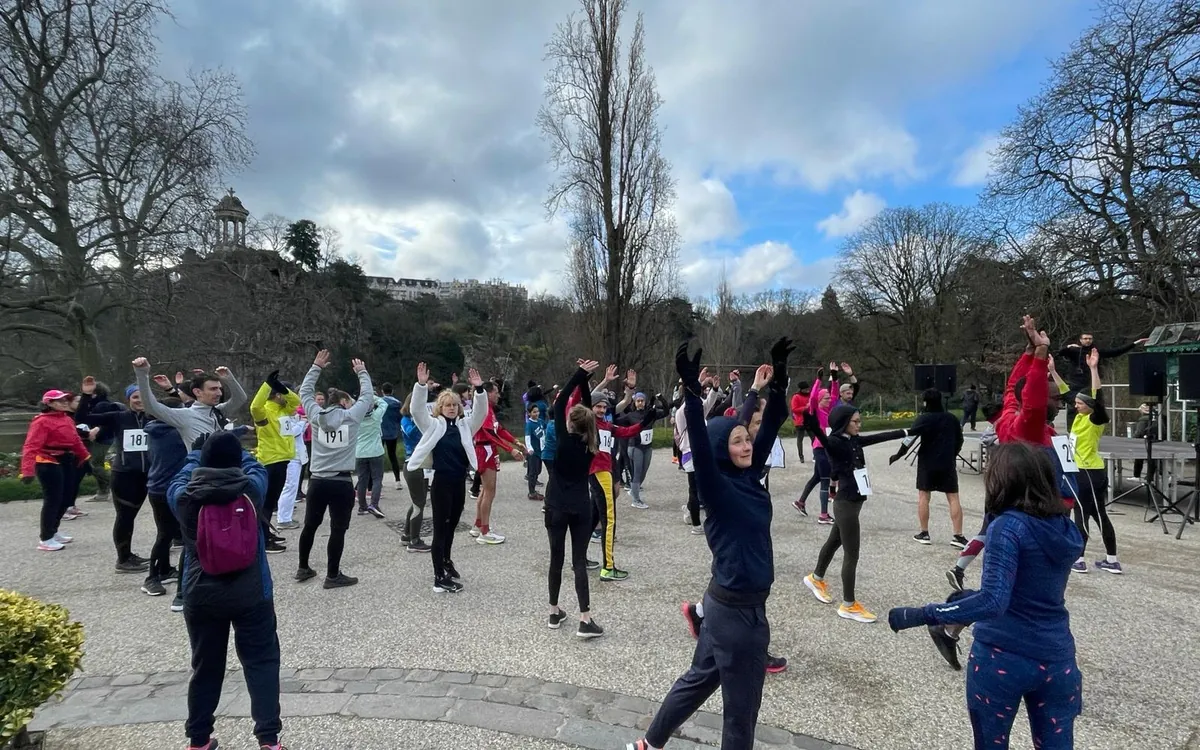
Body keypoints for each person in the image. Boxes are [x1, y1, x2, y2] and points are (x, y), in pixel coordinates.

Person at [626, 338, 791, 750]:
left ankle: (648, 743)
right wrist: (691, 391)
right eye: (736, 441)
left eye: (746, 438)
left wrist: (777, 380)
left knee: (697, 681)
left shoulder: (749, 477)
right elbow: (700, 440)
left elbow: (771, 423)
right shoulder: (716, 488)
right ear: (722, 449)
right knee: (741, 718)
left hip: (720, 608)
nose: (746, 444)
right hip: (739, 617)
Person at [886, 442, 1083, 750]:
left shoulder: (1008, 527)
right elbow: (1027, 591)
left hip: (1003, 657)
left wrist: (923, 614)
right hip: (1058, 660)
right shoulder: (1064, 529)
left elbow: (994, 600)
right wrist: (966, 597)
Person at [168, 431, 283, 750]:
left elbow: (179, 475)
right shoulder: (252, 489)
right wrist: (238, 450)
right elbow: (256, 465)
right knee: (261, 661)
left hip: (201, 592)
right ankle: (269, 739)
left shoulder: (183, 496)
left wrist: (196, 453)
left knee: (205, 665)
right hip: (252, 591)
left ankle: (199, 738)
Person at [802, 401, 910, 624]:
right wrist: (812, 424)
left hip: (852, 503)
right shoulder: (835, 442)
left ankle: (815, 577)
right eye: (856, 421)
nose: (860, 425)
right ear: (844, 423)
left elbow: (881, 437)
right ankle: (848, 605)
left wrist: (908, 431)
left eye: (860, 421)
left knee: (834, 542)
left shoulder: (854, 440)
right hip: (846, 504)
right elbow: (825, 441)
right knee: (852, 554)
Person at [405, 363, 488, 592]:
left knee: (451, 528)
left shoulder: (465, 426)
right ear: (440, 408)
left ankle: (446, 562)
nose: (451, 408)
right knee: (440, 530)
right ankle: (438, 577)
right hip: (441, 483)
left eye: (454, 405)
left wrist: (479, 390)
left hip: (458, 483)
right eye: (447, 405)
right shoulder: (433, 426)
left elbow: (481, 413)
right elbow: (417, 411)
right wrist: (421, 386)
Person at [295, 350, 375, 589]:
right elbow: (367, 397)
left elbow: (305, 392)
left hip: (318, 480)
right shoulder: (351, 417)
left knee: (310, 525)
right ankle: (332, 575)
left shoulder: (316, 415)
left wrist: (315, 367)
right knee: (337, 529)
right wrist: (362, 372)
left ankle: (303, 567)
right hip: (340, 482)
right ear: (342, 403)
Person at [544, 360, 605, 638]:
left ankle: (554, 612)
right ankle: (585, 618)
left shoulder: (562, 439)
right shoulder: (593, 444)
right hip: (581, 506)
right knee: (579, 561)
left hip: (556, 504)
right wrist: (585, 381)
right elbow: (588, 412)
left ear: (569, 422)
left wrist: (579, 375)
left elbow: (559, 404)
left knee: (556, 558)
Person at [76, 378, 155, 575]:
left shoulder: (154, 416)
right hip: (125, 474)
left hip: (148, 473)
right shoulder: (118, 417)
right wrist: (86, 395)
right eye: (135, 397)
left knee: (138, 515)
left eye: (143, 396)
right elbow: (83, 417)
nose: (139, 400)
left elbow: (179, 408)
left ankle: (129, 554)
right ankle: (123, 558)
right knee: (125, 516)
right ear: (128, 399)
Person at [1053, 349, 1121, 573]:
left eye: (1081, 404)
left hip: (1089, 471)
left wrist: (1093, 368)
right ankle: (1109, 560)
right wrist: (1052, 370)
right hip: (1082, 470)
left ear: (1090, 406)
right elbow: (1065, 393)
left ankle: (1081, 559)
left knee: (1086, 513)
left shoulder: (1095, 420)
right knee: (1089, 512)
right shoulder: (1081, 416)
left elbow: (1098, 398)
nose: (1076, 406)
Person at [20, 389, 91, 552]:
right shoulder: (41, 422)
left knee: (66, 499)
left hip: (65, 459)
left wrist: (86, 458)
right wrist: (27, 470)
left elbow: (75, 441)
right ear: (49, 404)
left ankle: (54, 531)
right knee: (53, 499)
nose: (65, 402)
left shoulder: (66, 419)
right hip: (47, 460)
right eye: (60, 400)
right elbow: (31, 446)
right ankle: (46, 538)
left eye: (66, 400)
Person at [896, 389, 966, 548]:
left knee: (924, 496)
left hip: (927, 462)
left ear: (926, 402)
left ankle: (924, 532)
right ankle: (958, 535)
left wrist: (899, 454)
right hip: (947, 462)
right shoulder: (951, 418)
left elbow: (910, 438)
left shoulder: (924, 419)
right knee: (953, 497)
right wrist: (953, 453)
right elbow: (959, 439)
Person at [134, 361, 249, 451]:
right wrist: (142, 374)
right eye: (213, 389)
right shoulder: (184, 416)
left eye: (220, 389)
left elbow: (240, 399)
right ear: (197, 392)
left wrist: (230, 380)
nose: (219, 393)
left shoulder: (218, 411)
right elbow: (151, 406)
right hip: (202, 476)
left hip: (225, 472)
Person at [249, 371, 300, 553]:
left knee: (271, 501)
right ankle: (262, 539)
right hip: (271, 460)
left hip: (283, 459)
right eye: (282, 392)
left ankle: (265, 532)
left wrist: (279, 386)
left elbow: (296, 402)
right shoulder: (264, 411)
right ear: (276, 396)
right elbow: (254, 407)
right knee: (267, 503)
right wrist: (267, 385)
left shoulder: (283, 409)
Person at [470, 381, 524, 545]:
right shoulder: (484, 410)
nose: (499, 395)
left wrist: (515, 441)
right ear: (487, 393)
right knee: (489, 491)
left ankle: (478, 525)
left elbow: (498, 429)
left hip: (487, 449)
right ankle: (485, 531)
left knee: (484, 490)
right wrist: (510, 450)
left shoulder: (490, 410)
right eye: (496, 392)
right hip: (484, 449)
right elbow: (489, 434)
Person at [1056, 332, 1146, 426]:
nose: (1088, 341)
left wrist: (1135, 343)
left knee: (1091, 408)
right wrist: (1068, 347)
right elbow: (1060, 353)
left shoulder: (1096, 351)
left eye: (1090, 339)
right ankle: (1071, 431)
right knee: (1073, 408)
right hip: (1075, 385)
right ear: (1081, 340)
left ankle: (1088, 428)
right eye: (1085, 338)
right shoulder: (1074, 350)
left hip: (1089, 385)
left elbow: (1115, 352)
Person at [793, 368, 838, 524]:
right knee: (825, 479)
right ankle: (823, 515)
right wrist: (818, 381)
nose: (828, 400)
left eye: (827, 398)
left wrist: (835, 377)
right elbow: (812, 398)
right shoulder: (816, 411)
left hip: (827, 447)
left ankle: (800, 502)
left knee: (817, 477)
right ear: (819, 400)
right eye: (825, 398)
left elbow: (834, 395)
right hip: (820, 448)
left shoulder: (829, 411)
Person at [618, 388, 668, 509]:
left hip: (648, 447)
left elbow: (666, 411)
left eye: (642, 401)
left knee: (643, 473)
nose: (640, 403)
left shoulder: (650, 414)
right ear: (634, 403)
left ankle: (634, 489)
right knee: (637, 473)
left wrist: (661, 398)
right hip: (635, 447)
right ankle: (636, 500)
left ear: (645, 402)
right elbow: (618, 423)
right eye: (638, 401)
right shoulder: (630, 416)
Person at [399, 393, 431, 553]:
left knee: (417, 501)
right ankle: (415, 539)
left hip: (422, 464)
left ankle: (407, 534)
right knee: (419, 503)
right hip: (413, 464)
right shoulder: (406, 420)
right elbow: (412, 434)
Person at [354, 390, 388, 518]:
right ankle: (374, 504)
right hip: (375, 451)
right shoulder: (376, 416)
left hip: (360, 452)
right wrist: (371, 396)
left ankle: (362, 506)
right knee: (377, 479)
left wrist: (362, 399)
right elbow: (384, 404)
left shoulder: (356, 417)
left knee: (362, 480)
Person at [379, 383, 404, 488]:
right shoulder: (397, 403)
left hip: (380, 432)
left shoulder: (379, 402)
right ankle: (397, 480)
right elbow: (400, 417)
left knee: (378, 457)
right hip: (393, 432)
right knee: (393, 456)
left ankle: (378, 481)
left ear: (382, 391)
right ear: (392, 391)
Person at [525, 403, 546, 501]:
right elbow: (527, 437)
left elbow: (546, 429)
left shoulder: (541, 421)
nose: (537, 413)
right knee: (533, 472)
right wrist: (529, 449)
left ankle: (533, 489)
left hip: (540, 450)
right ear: (529, 413)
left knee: (538, 470)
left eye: (537, 411)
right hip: (533, 452)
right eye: (534, 412)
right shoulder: (529, 424)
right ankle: (531, 492)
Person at [789, 382, 809, 463]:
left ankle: (816, 454)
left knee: (814, 438)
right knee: (800, 439)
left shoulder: (810, 395)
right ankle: (801, 456)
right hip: (800, 421)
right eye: (806, 389)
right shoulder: (796, 396)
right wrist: (805, 408)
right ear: (801, 389)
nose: (807, 390)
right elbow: (794, 409)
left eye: (808, 389)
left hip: (810, 420)